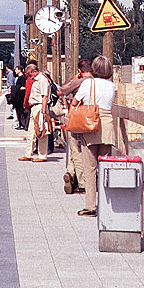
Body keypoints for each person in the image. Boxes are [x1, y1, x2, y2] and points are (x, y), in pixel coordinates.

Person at [71, 55, 116, 216]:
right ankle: (106, 204)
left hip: (90, 126)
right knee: (105, 167)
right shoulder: (112, 86)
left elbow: (74, 102)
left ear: (94, 68)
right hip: (107, 126)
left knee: (90, 168)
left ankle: (91, 206)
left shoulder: (88, 83)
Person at [58, 58, 92, 194]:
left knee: (76, 149)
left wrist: (74, 79)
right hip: (92, 120)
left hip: (78, 119)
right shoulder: (96, 82)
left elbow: (60, 91)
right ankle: (70, 174)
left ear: (79, 70)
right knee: (83, 150)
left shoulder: (79, 82)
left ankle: (82, 182)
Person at [19, 63, 51, 163]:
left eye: (30, 74)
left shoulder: (43, 80)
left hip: (40, 107)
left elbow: (44, 96)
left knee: (41, 131)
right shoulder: (36, 80)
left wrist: (43, 111)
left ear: (35, 71)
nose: (30, 76)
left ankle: (42, 155)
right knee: (31, 132)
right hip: (34, 107)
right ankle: (28, 154)